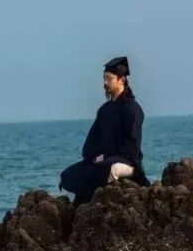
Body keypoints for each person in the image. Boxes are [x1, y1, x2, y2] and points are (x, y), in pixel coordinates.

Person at [59, 56, 149, 206]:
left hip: (127, 162)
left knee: (107, 169)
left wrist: (107, 156)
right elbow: (91, 142)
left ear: (121, 80)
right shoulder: (104, 110)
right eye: (104, 79)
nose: (105, 83)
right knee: (68, 175)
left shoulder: (132, 109)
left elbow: (131, 148)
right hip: (102, 161)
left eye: (109, 79)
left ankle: (129, 178)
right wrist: (94, 156)